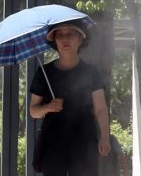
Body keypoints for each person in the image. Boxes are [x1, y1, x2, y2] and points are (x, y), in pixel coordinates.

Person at [29, 23, 111, 175]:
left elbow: (100, 108)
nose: (64, 39)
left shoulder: (91, 72)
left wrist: (105, 137)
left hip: (85, 141)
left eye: (70, 34)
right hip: (52, 144)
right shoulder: (43, 72)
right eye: (60, 35)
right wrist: (48, 107)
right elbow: (33, 111)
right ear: (55, 41)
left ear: (80, 39)